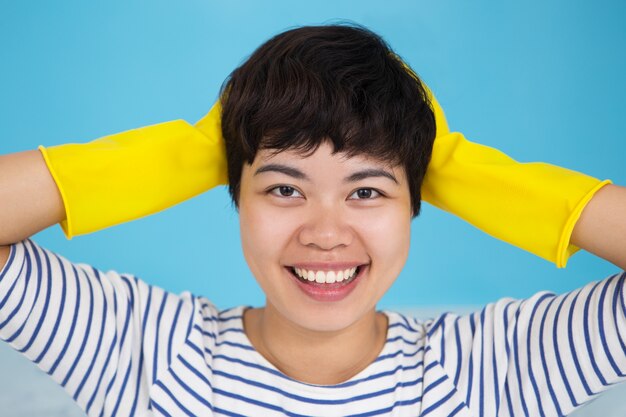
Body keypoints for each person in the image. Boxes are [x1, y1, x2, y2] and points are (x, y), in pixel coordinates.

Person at [0, 23, 625, 417]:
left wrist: (452, 162)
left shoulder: (488, 370)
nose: (325, 233)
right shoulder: (146, 350)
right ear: (233, 193)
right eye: (283, 189)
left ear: (418, 202)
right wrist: (196, 150)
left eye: (366, 193)